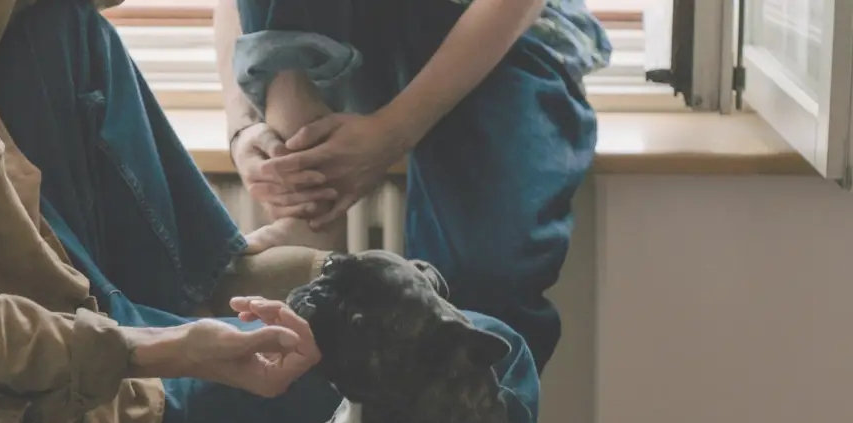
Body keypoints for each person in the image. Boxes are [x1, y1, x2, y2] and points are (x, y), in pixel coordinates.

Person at [0, 0, 539, 423]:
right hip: (81, 409)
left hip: (121, 326)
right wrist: (164, 349)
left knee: (60, 26)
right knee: (488, 367)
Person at [219, 0, 611, 375]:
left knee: (480, 298)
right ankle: (307, 213)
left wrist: (393, 132)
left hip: (503, 38)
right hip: (349, 42)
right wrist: (244, 126)